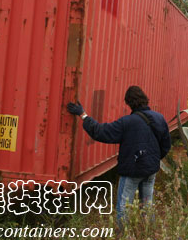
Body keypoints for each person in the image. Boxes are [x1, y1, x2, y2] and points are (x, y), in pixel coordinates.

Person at [66, 86, 171, 228]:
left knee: (123, 207)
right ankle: (149, 233)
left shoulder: (127, 122)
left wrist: (83, 115)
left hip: (131, 172)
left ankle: (124, 239)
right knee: (147, 204)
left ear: (129, 103)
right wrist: (152, 160)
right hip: (151, 170)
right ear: (145, 99)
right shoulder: (159, 118)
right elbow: (166, 145)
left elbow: (101, 132)